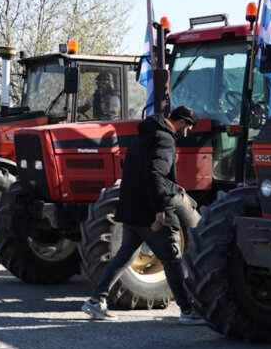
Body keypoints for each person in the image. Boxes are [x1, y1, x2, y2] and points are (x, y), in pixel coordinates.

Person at [81, 104, 201, 324]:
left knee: (124, 256)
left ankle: (96, 301)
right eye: (189, 128)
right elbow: (156, 176)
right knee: (172, 260)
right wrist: (161, 210)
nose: (188, 133)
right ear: (182, 122)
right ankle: (187, 310)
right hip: (148, 212)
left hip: (131, 210)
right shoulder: (165, 139)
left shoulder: (143, 136)